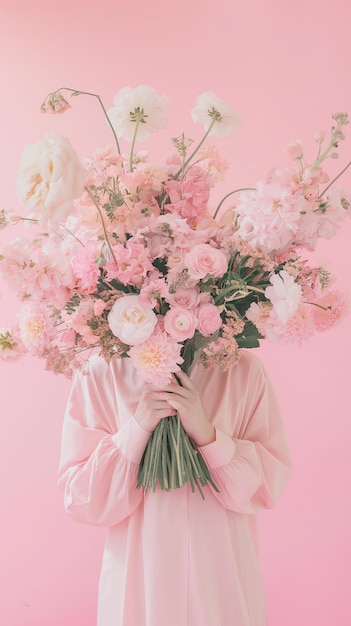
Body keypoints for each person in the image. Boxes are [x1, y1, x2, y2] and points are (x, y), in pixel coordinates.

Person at [58, 349, 291, 626]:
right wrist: (138, 426)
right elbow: (82, 498)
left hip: (220, 582)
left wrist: (207, 434)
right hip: (139, 587)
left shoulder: (241, 370)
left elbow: (267, 486)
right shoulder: (101, 371)